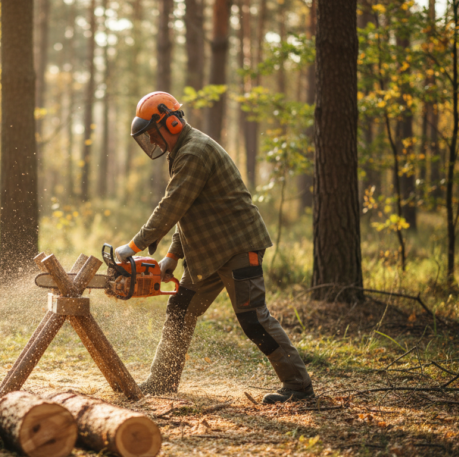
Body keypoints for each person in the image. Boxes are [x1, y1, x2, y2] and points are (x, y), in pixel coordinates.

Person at [114, 91, 314, 404]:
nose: (152, 141)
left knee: (253, 318)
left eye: (153, 133)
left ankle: (299, 388)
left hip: (237, 246)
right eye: (147, 137)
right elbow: (189, 211)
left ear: (171, 122)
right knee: (180, 309)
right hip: (210, 252)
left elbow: (173, 205)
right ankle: (162, 382)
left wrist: (134, 244)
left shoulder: (194, 151)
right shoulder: (182, 152)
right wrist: (170, 256)